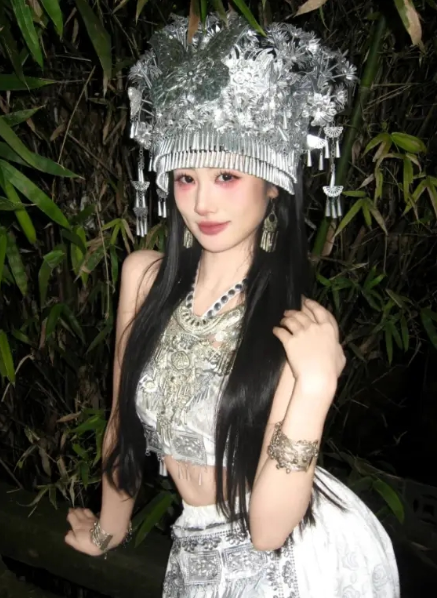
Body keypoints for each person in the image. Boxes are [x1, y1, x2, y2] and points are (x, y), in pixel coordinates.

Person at [65, 13, 400, 597]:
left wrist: (316, 387)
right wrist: (108, 530)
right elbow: (122, 422)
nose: (202, 203)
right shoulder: (144, 278)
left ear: (272, 183)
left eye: (226, 175)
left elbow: (268, 531)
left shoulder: (296, 323)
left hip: (288, 566)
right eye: (186, 178)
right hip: (191, 550)